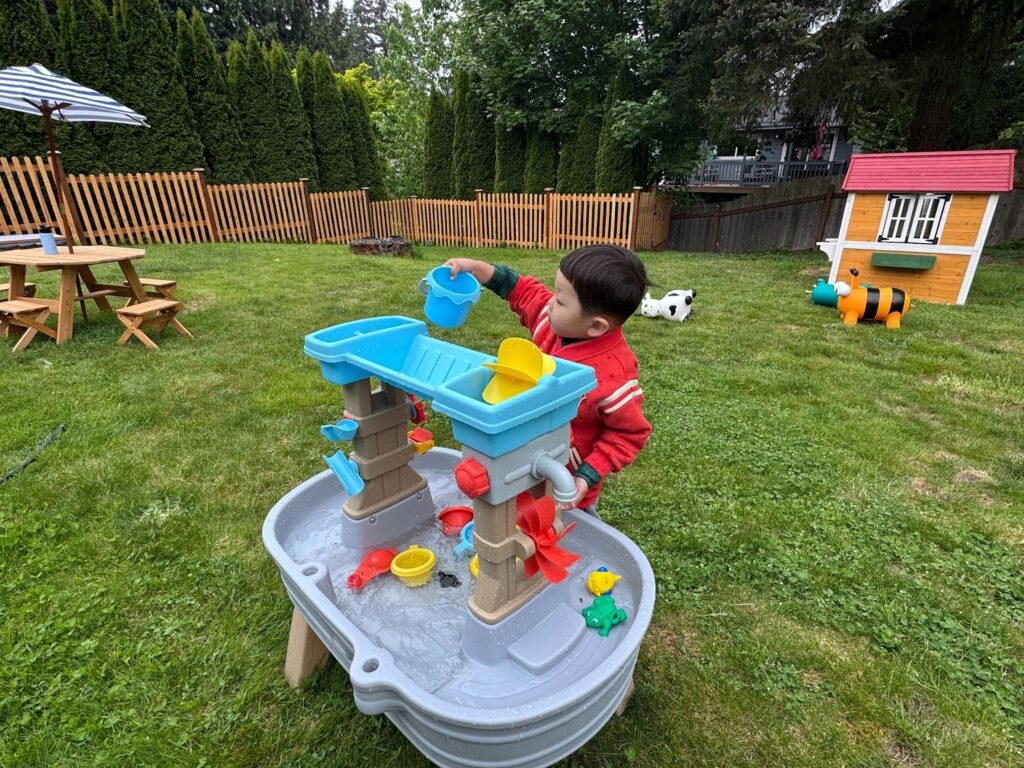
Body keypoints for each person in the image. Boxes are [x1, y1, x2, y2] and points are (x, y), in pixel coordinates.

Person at [445, 245, 653, 516]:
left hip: (566, 479)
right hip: (526, 457)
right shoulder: (555, 321)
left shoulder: (612, 376)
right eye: (556, 292)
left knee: (567, 532)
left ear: (596, 326)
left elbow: (629, 434)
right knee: (520, 517)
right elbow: (523, 291)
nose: (549, 303)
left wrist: (587, 474)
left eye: (561, 300)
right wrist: (476, 267)